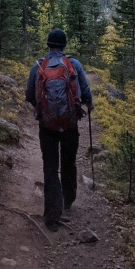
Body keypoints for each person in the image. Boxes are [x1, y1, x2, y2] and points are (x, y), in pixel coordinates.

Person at [25, 28, 93, 231]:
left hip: (47, 126)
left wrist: (42, 110)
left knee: (50, 167)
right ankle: (68, 200)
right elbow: (85, 89)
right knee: (69, 161)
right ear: (64, 46)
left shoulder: (38, 66)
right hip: (70, 123)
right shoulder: (74, 64)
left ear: (48, 45)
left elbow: (29, 94)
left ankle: (52, 215)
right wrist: (89, 104)